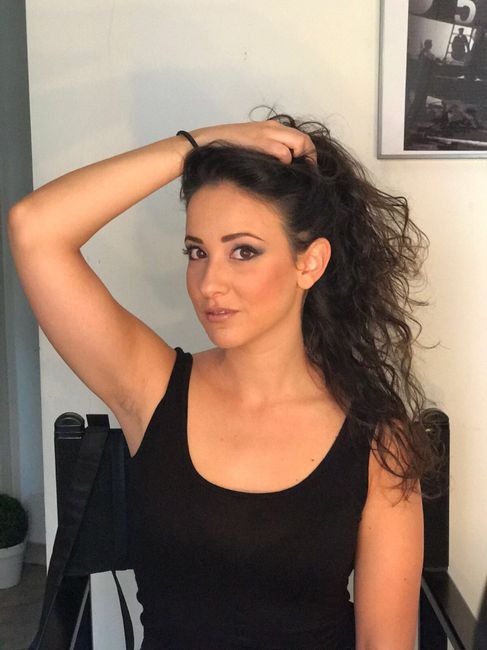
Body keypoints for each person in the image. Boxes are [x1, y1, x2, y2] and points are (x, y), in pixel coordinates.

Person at [8, 109, 442, 649]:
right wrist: (201, 143)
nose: (209, 283)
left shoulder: (378, 440)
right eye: (197, 252)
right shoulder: (153, 388)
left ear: (309, 264)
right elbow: (35, 228)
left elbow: (386, 642)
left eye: (243, 251)